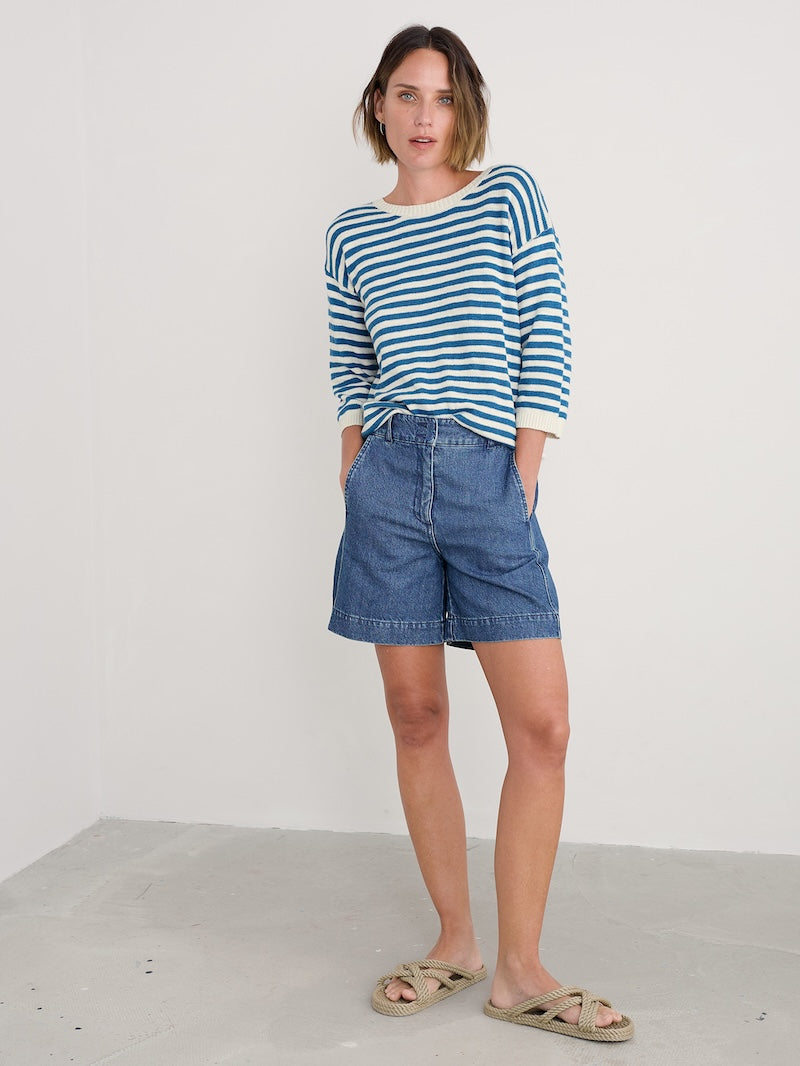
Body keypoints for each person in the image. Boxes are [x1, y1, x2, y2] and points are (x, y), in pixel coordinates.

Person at [324, 24, 634, 1043]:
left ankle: (519, 970)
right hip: (387, 479)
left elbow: (547, 330)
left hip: (486, 473)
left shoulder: (507, 196)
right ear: (378, 105)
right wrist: (352, 460)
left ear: (467, 107)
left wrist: (523, 470)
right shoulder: (350, 234)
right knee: (416, 716)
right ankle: (456, 942)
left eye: (445, 96)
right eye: (407, 94)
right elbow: (351, 363)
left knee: (542, 728)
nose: (425, 116)